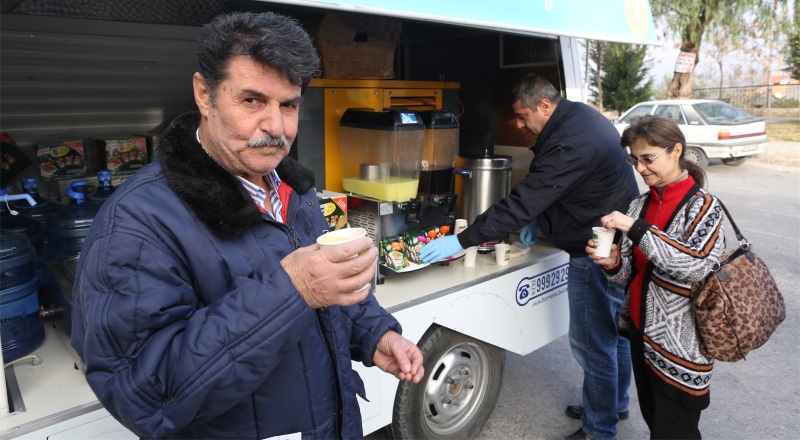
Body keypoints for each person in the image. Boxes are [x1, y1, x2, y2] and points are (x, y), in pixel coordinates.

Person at [70, 11, 423, 439]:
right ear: (205, 94)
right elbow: (145, 395)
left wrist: (374, 333)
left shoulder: (295, 190)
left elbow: (326, 288)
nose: (275, 127)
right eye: (252, 100)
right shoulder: (138, 222)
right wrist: (292, 289)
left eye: (288, 105)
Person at [420, 73, 638, 440]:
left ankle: (600, 428)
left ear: (544, 105)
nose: (519, 125)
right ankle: (613, 404)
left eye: (523, 117)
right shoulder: (577, 118)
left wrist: (463, 240)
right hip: (611, 239)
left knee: (593, 342)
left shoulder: (572, 139)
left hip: (596, 250)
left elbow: (529, 197)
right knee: (613, 335)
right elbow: (562, 188)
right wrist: (541, 220)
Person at [588, 115, 726, 439]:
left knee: (675, 432)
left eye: (648, 158)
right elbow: (629, 275)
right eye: (635, 159)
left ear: (676, 150)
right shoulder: (638, 204)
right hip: (640, 334)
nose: (640, 168)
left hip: (681, 348)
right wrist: (611, 261)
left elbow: (694, 266)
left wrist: (634, 229)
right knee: (655, 423)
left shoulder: (705, 208)